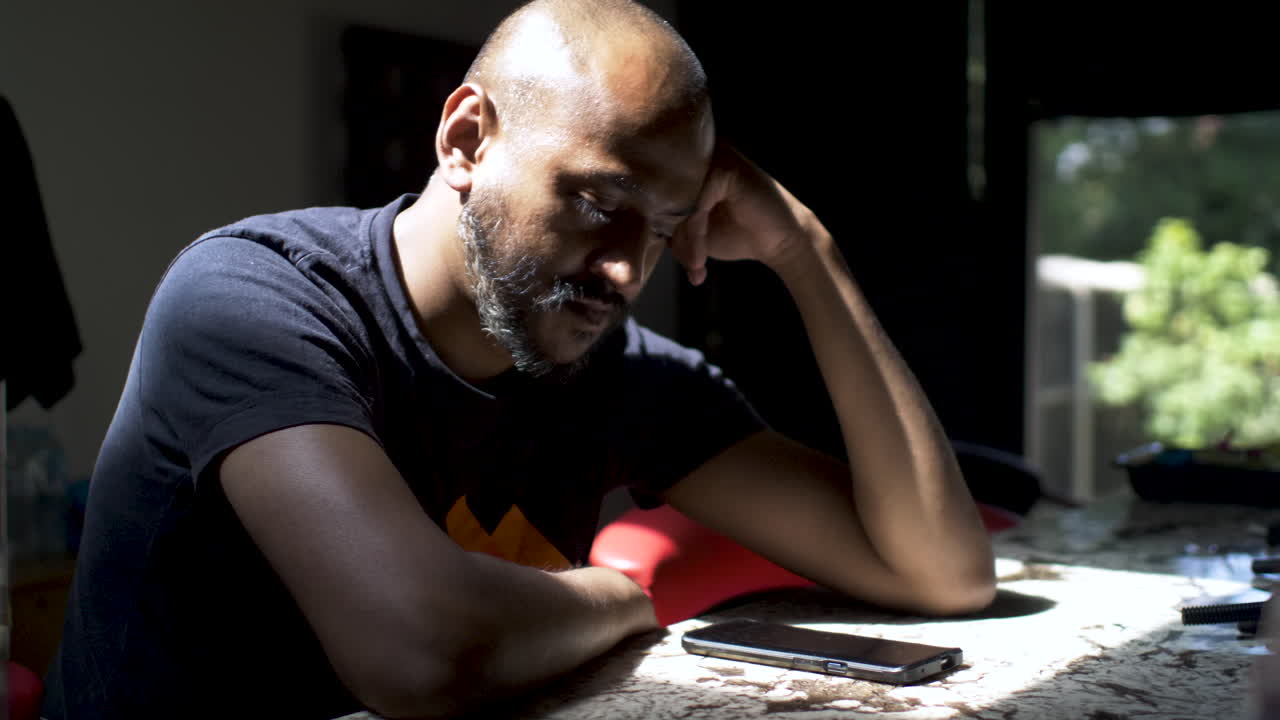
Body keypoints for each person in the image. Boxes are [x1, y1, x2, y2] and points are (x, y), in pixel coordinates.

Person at [42, 1, 996, 717]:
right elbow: (418, 650)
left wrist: (805, 252)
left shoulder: (612, 367)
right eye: (596, 203)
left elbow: (940, 574)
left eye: (664, 231)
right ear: (465, 138)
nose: (626, 271)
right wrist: (618, 598)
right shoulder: (250, 301)